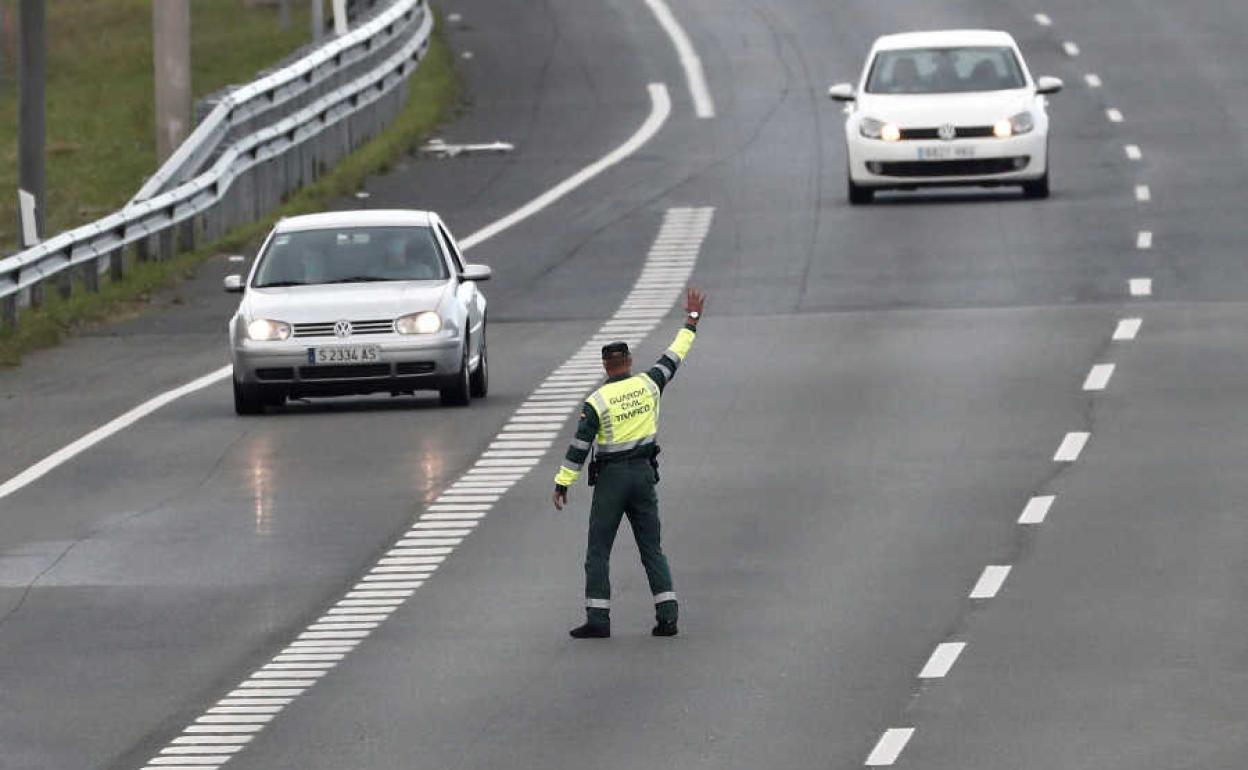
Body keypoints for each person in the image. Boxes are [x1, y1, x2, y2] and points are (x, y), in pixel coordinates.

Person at [553, 287, 706, 639]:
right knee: (651, 546)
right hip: (643, 475)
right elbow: (675, 355)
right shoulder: (649, 384)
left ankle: (598, 619)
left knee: (599, 549)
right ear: (630, 361)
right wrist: (691, 320)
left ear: (606, 365)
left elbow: (579, 446)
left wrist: (562, 482)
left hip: (612, 479)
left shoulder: (597, 400)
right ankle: (668, 616)